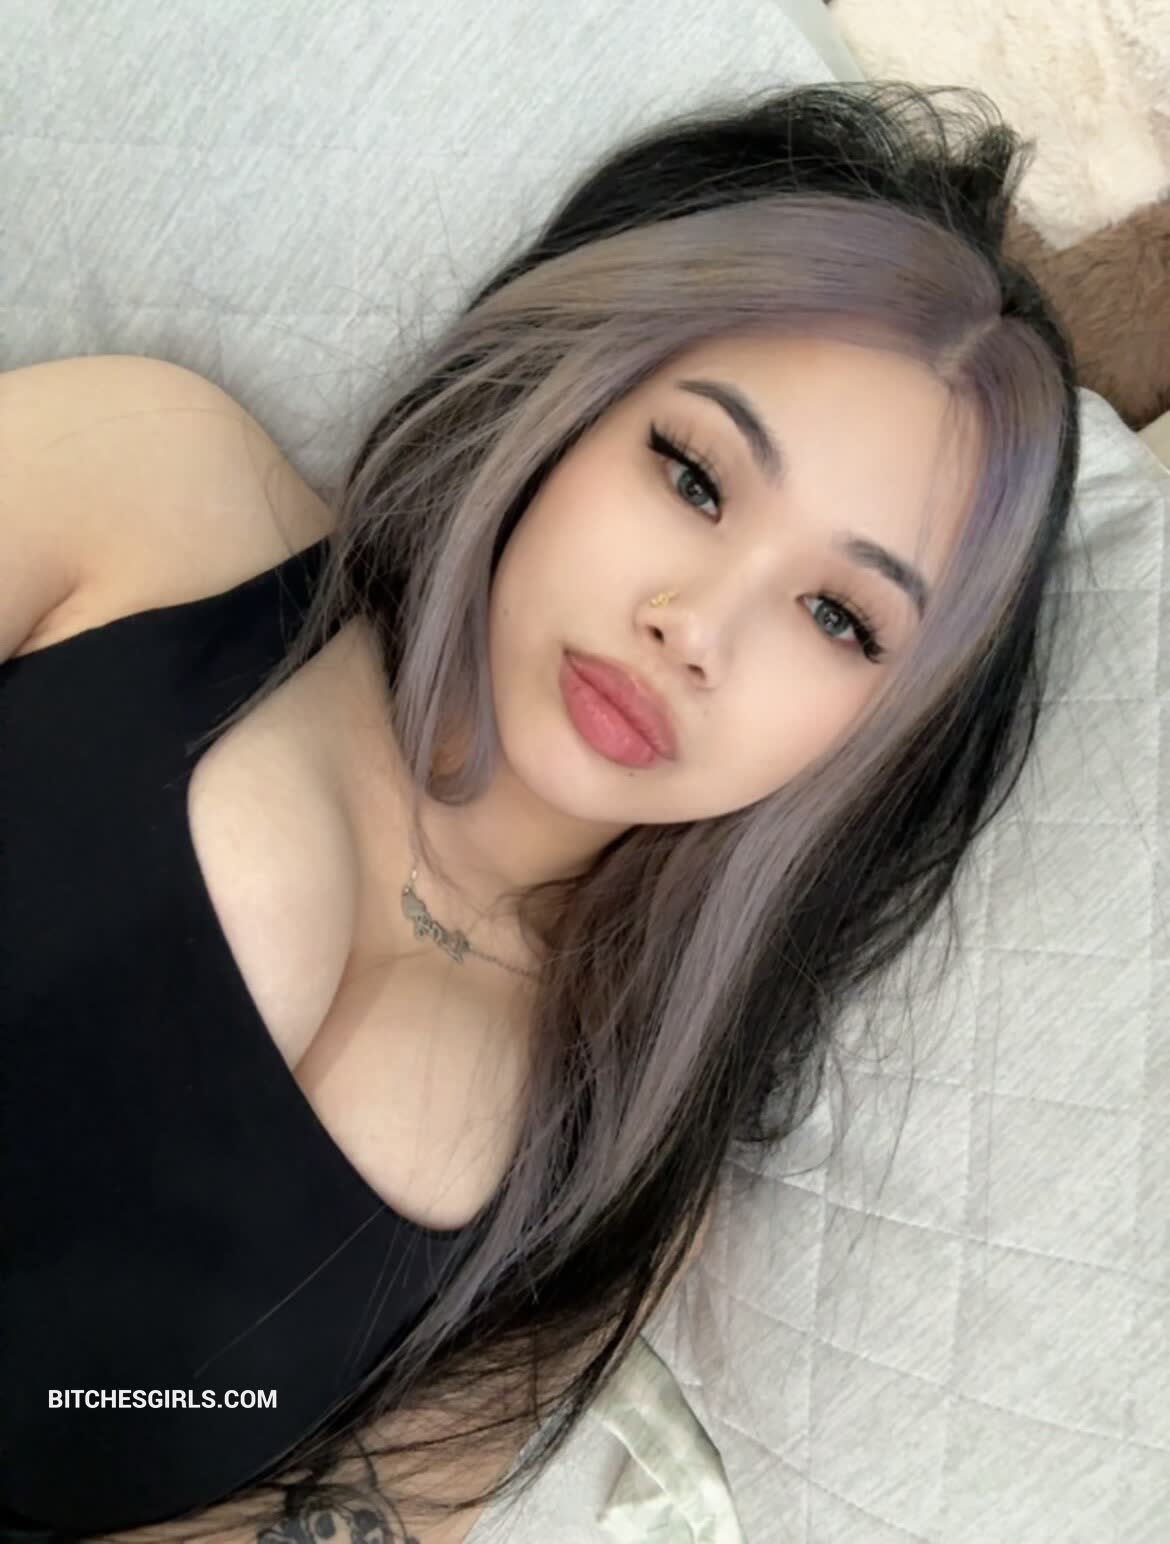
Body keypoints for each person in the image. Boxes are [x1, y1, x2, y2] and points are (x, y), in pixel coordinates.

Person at [0, 80, 1078, 1544]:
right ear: (571, 396)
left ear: (886, 733)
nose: (694, 624)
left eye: (839, 616)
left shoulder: (619, 1178)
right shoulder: (158, 489)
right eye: (691, 473)